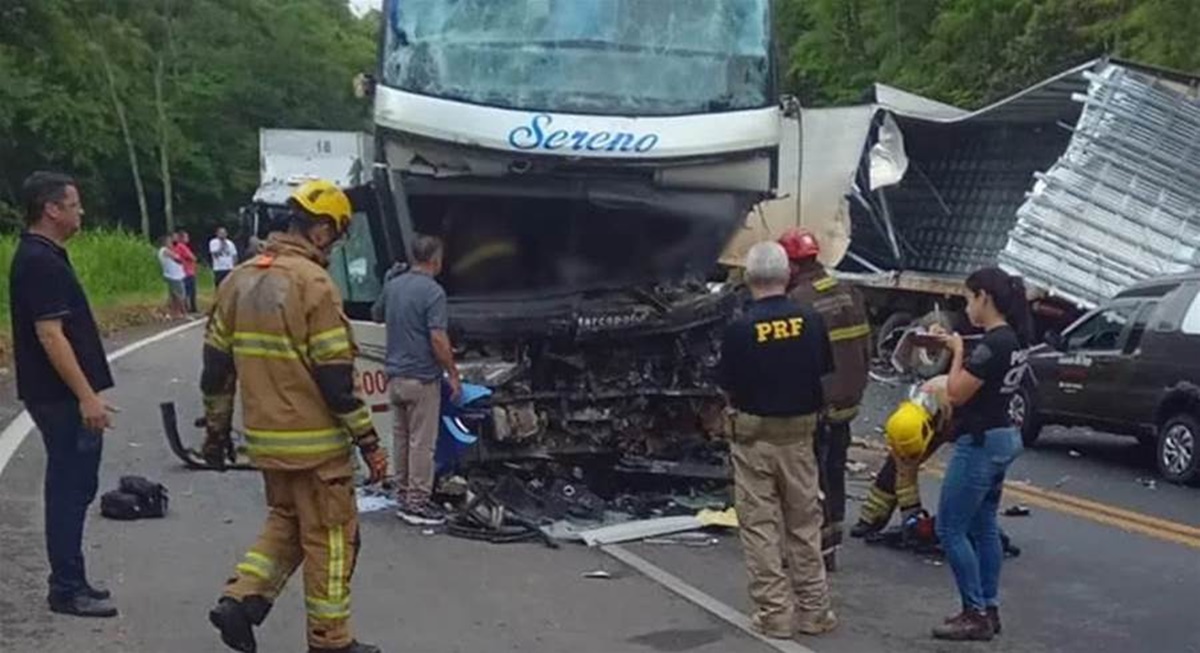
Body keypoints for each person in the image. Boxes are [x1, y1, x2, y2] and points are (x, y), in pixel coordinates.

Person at [200, 179, 387, 653]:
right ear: (322, 230)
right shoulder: (314, 284)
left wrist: (215, 435)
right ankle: (331, 641)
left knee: (286, 521)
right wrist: (370, 443)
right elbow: (336, 382)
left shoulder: (238, 280)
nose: (336, 246)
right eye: (338, 235)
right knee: (334, 539)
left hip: (266, 442)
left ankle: (239, 600)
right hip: (317, 447)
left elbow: (215, 371)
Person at [8, 172, 119, 618]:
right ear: (51, 209)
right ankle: (67, 587)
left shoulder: (47, 256)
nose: (80, 212)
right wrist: (85, 396)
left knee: (78, 483)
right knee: (70, 487)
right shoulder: (40, 261)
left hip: (60, 393)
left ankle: (73, 579)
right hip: (58, 395)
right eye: (74, 204)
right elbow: (51, 335)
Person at [717, 241, 838, 639]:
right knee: (804, 523)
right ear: (788, 276)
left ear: (749, 279)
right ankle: (815, 611)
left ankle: (774, 614)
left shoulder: (738, 329)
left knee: (760, 527)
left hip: (754, 439)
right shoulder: (810, 319)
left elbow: (728, 387)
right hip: (800, 437)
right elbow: (822, 370)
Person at [929, 267, 1031, 641]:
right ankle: (989, 606)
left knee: (951, 528)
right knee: (984, 525)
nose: (967, 306)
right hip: (1004, 436)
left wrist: (956, 353)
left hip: (981, 442)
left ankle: (974, 611)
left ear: (985, 297)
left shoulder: (994, 344)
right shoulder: (1014, 339)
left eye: (970, 298)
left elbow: (956, 393)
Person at [778, 227, 870, 559]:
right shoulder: (848, 291)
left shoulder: (798, 302)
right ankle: (830, 549)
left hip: (817, 404)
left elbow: (794, 364)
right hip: (848, 401)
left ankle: (806, 551)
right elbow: (865, 349)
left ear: (791, 266)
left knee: (807, 479)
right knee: (834, 473)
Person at [376, 234, 461, 526]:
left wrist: (388, 283)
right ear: (435, 259)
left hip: (395, 376)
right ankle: (418, 502)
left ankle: (402, 494)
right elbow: (438, 337)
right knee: (422, 443)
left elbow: (376, 314)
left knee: (401, 439)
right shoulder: (433, 292)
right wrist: (452, 372)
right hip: (422, 378)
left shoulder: (394, 286)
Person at [157, 235, 187, 319]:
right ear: (165, 243)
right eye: (169, 242)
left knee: (173, 296)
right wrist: (179, 257)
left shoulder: (164, 251)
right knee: (180, 295)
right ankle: (184, 313)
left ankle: (175, 313)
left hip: (172, 275)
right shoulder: (165, 250)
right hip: (174, 276)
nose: (171, 244)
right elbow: (178, 258)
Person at [173, 230, 199, 313]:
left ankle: (188, 307)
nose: (188, 239)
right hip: (187, 271)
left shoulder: (180, 247)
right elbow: (192, 257)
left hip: (186, 271)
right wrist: (193, 258)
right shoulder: (181, 246)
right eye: (186, 237)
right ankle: (191, 307)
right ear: (181, 238)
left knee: (188, 291)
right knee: (190, 291)